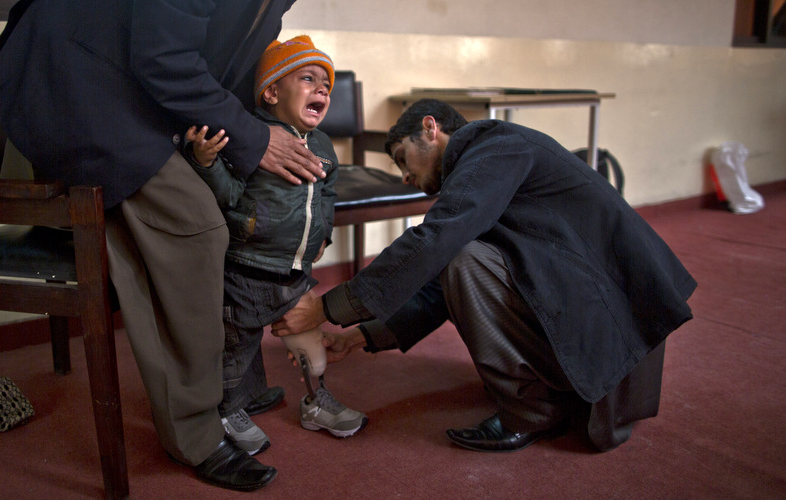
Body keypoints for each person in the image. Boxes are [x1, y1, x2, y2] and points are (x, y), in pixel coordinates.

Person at [0, 0, 326, 492]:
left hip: (126, 85)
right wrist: (255, 138)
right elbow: (164, 60)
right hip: (74, 75)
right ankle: (196, 433)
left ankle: (222, 392)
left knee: (202, 207)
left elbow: (216, 69)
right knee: (198, 230)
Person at [273, 98, 698, 453]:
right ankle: (547, 393)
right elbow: (441, 278)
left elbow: (440, 242)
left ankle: (532, 411)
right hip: (600, 317)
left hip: (616, 331)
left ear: (431, 127)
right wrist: (360, 335)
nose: (405, 177)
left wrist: (326, 308)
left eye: (404, 158)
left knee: (460, 256)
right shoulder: (491, 159)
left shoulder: (497, 146)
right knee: (459, 256)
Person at [185, 35, 368, 450]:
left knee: (311, 345)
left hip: (296, 271)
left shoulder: (323, 148)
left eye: (326, 84)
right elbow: (229, 195)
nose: (322, 88)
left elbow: (328, 193)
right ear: (270, 92)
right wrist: (207, 162)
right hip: (248, 266)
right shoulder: (252, 137)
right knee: (238, 348)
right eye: (308, 78)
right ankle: (230, 410)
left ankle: (316, 400)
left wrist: (326, 231)